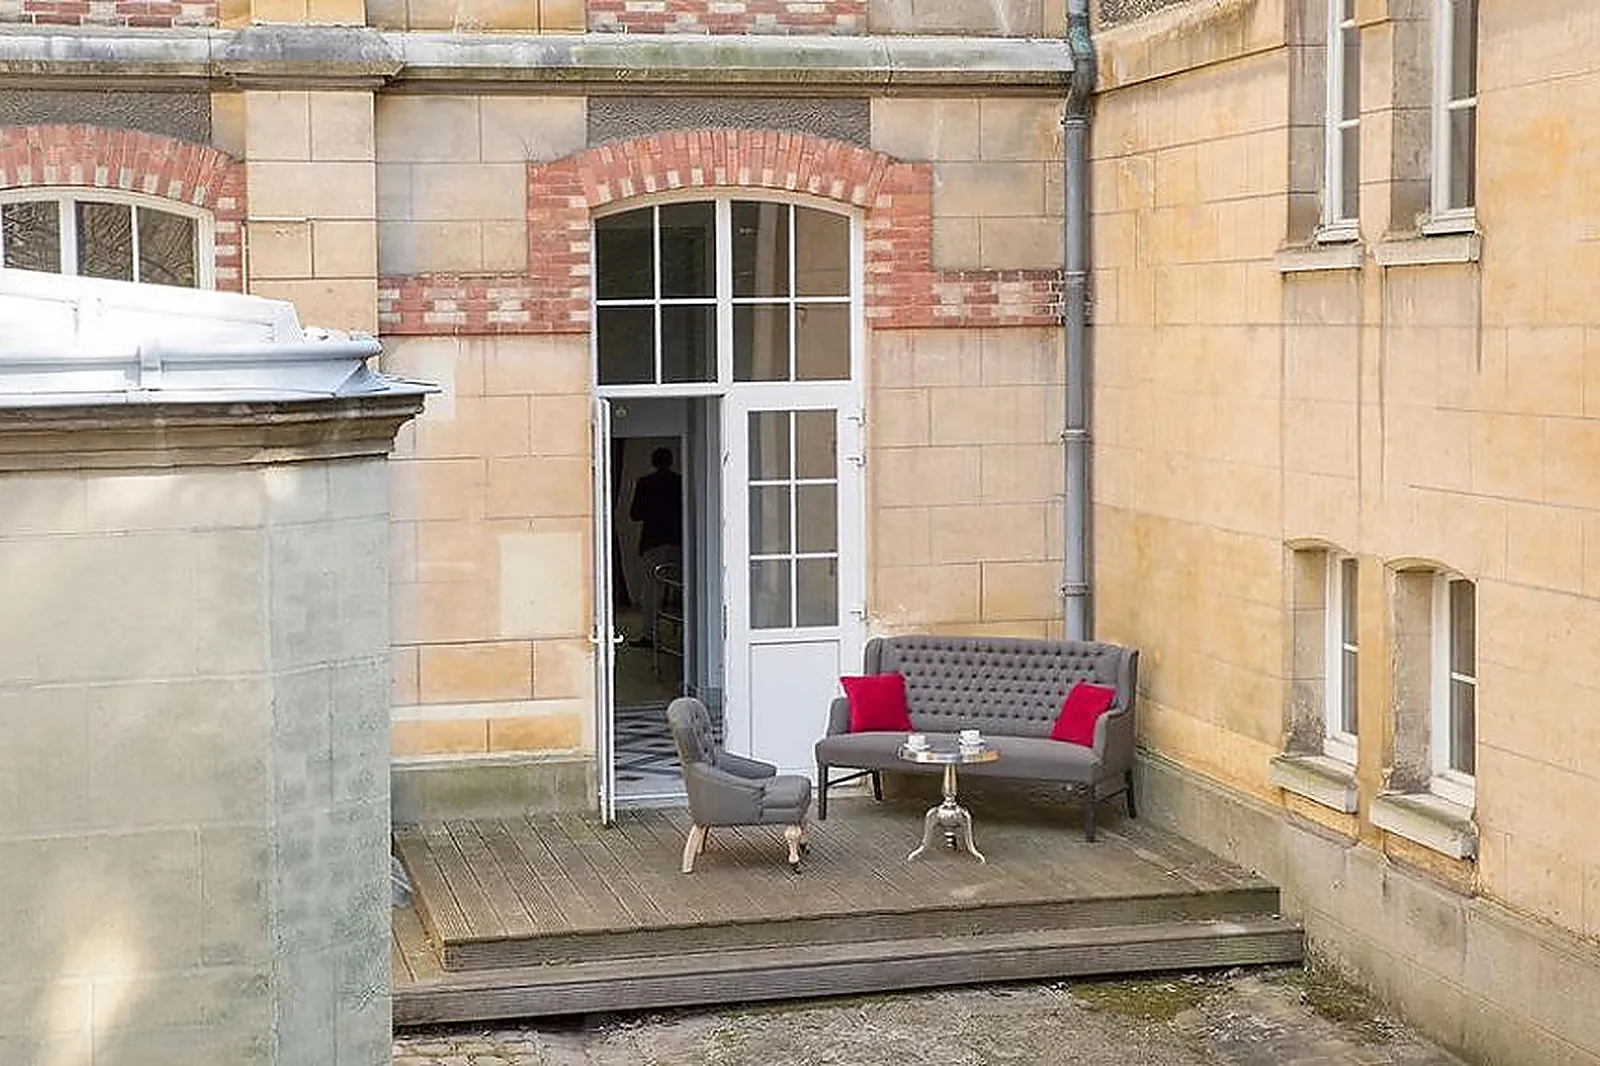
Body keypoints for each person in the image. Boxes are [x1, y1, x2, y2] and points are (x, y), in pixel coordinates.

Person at [628, 446, 683, 648]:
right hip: (678, 539)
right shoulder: (680, 482)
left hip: (653, 541)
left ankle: (650, 635)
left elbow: (635, 514)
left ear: (653, 461)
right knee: (681, 587)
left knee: (652, 590)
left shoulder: (645, 483)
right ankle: (686, 635)